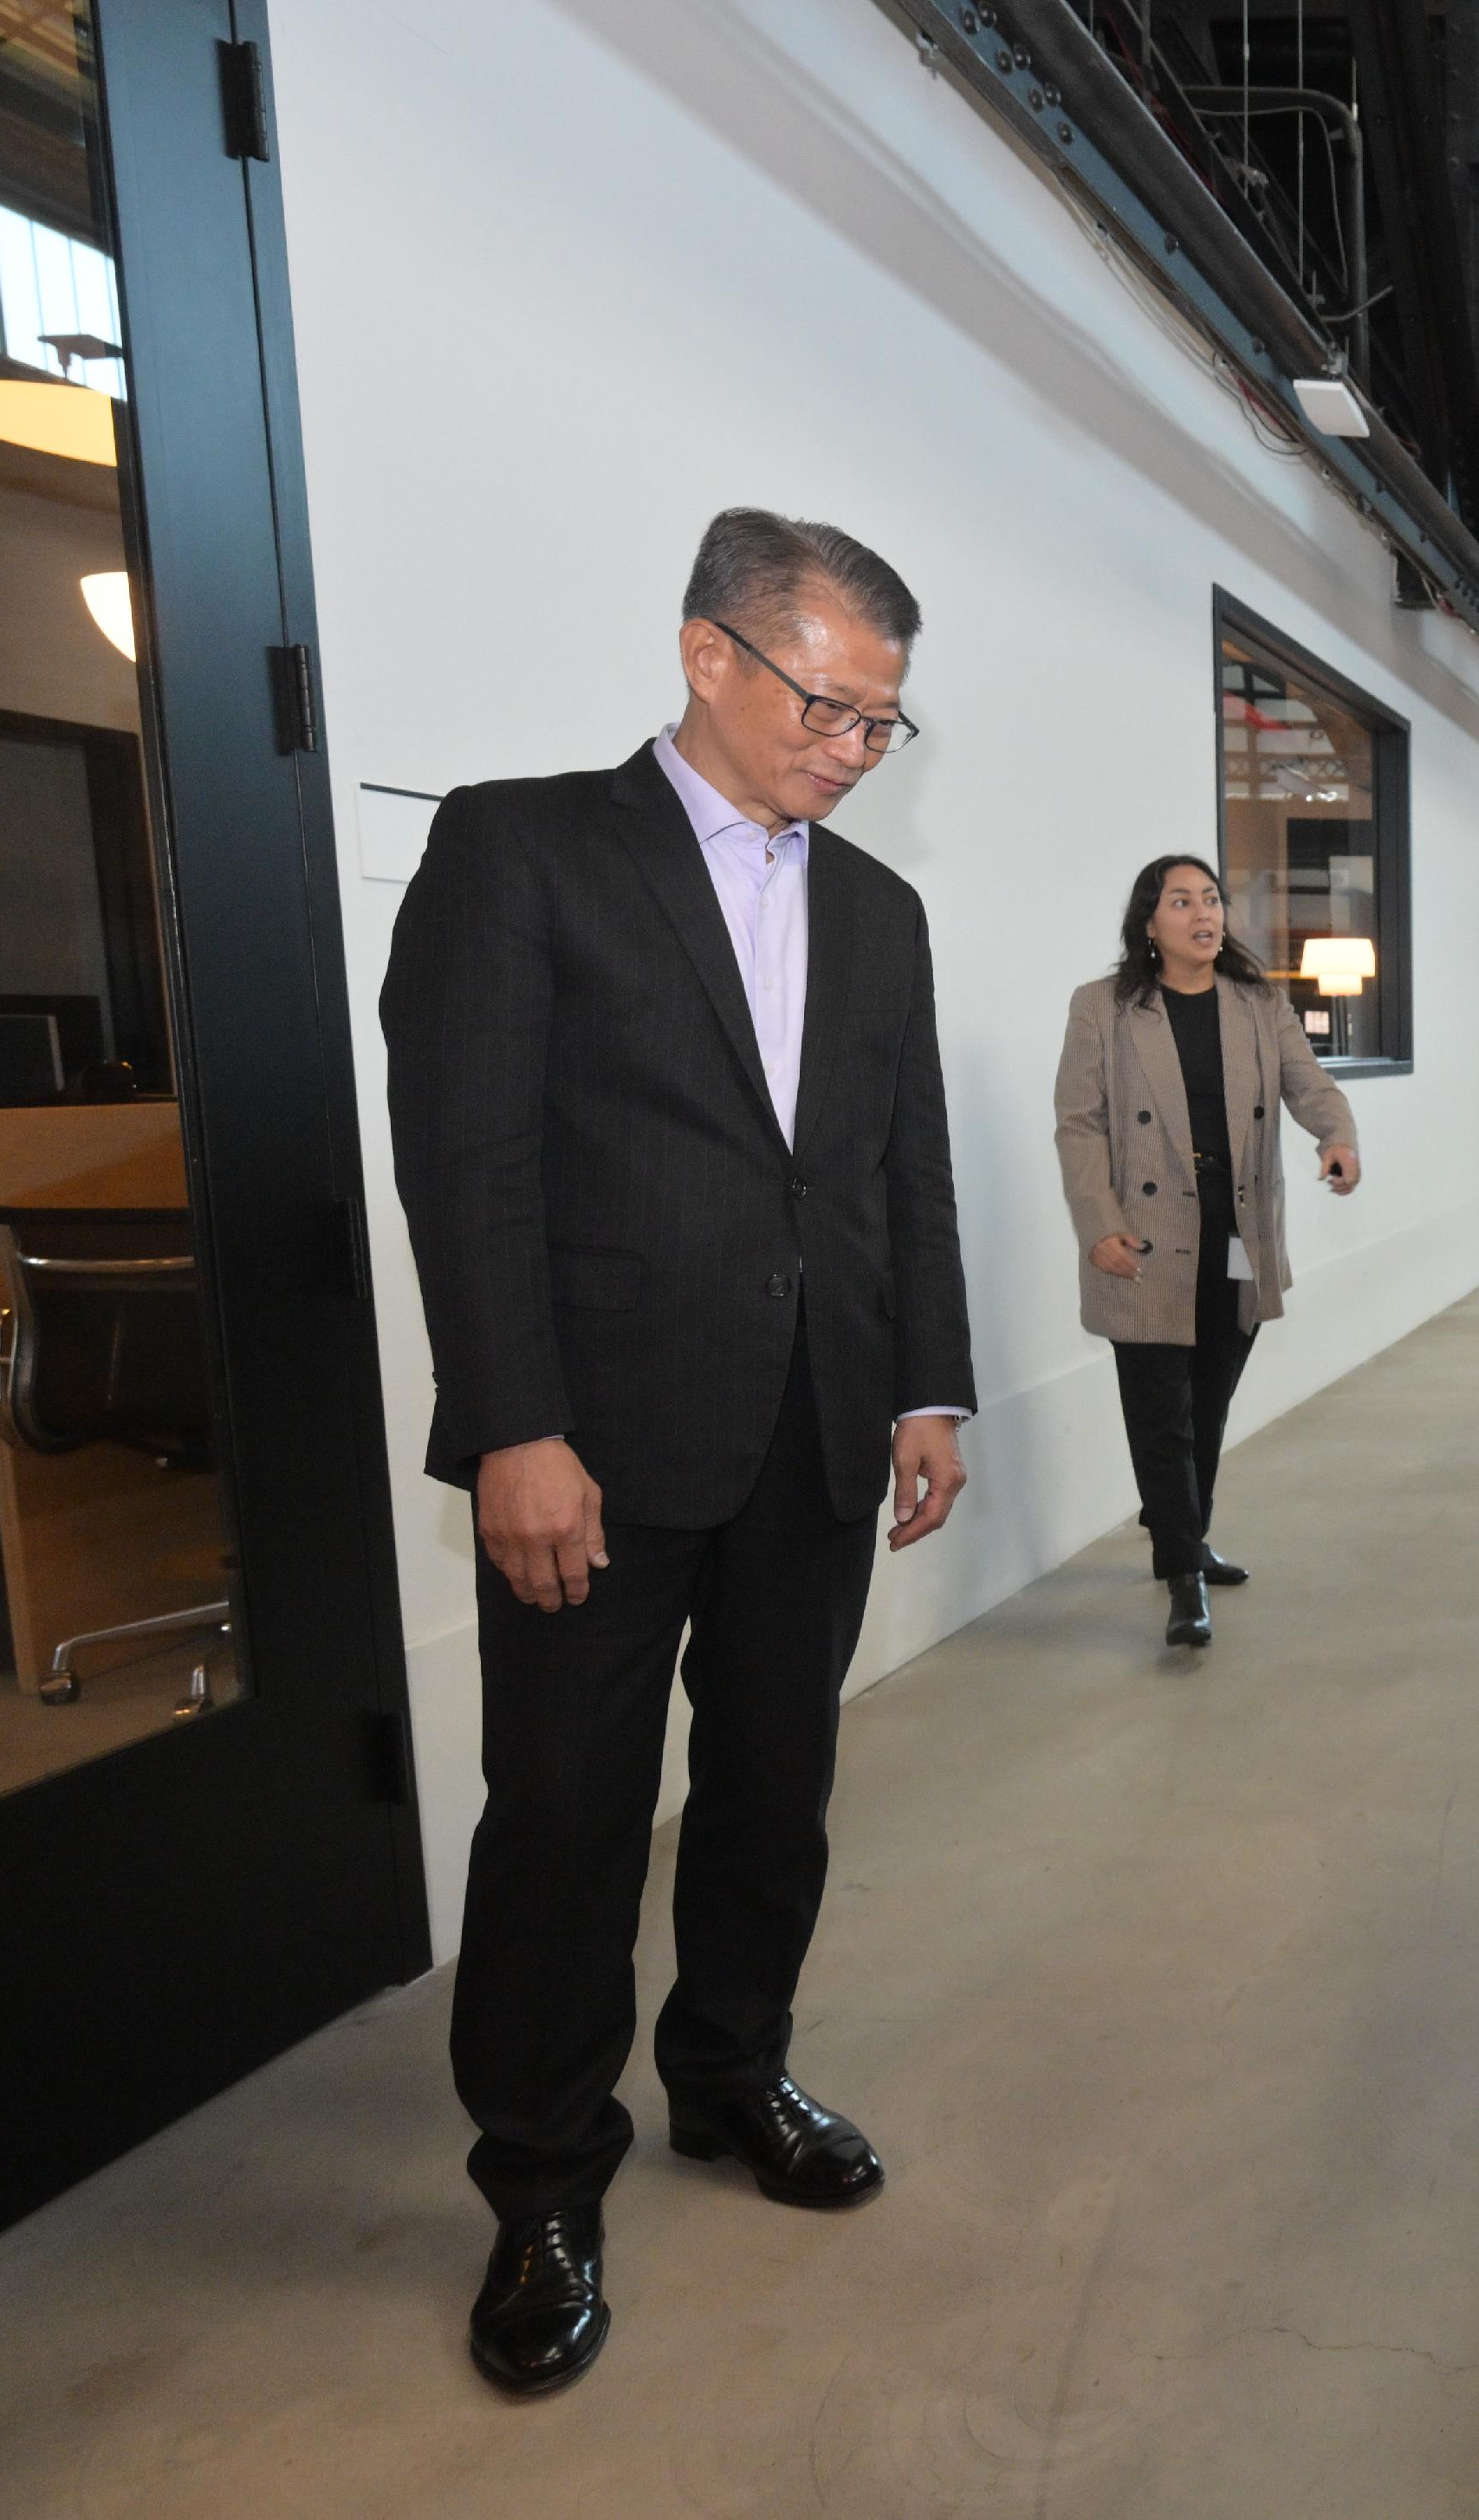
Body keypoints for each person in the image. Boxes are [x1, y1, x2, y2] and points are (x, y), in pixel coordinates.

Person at [381, 508, 975, 2395]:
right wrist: (511, 1429)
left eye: (884, 723)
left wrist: (927, 1386)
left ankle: (727, 2073)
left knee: (772, 1789)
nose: (853, 747)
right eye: (830, 703)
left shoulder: (878, 911)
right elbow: (464, 1161)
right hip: (596, 1453)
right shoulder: (525, 845)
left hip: (812, 1435)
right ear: (708, 654)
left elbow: (901, 1174)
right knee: (561, 1818)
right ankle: (547, 2180)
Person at [1053, 855, 1359, 1648]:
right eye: (1181, 900)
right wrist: (1099, 1223)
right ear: (1149, 923)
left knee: (1210, 1400)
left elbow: (1308, 1082)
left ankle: (1188, 1539)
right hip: (1148, 1234)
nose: (1203, 913)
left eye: (1213, 898)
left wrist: (1337, 1136)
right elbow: (1080, 1124)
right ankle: (1181, 1572)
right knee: (1160, 1412)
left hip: (1237, 1229)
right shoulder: (1104, 1008)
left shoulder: (1257, 1003)